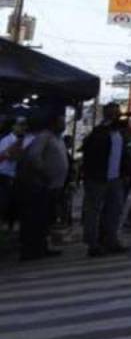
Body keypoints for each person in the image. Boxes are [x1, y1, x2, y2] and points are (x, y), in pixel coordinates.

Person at [15, 109, 68, 260]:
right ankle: (29, 250)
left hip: (53, 186)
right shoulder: (44, 137)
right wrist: (44, 173)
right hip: (39, 186)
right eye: (61, 121)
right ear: (53, 123)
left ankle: (41, 247)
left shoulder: (57, 138)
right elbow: (33, 157)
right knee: (34, 219)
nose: (63, 124)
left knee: (45, 219)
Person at [81, 102, 128, 257]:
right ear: (107, 114)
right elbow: (91, 155)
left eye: (118, 113)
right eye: (114, 113)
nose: (117, 116)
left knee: (115, 210)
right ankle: (93, 244)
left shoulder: (119, 133)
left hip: (115, 178)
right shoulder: (99, 132)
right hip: (98, 178)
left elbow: (122, 155)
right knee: (93, 211)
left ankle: (111, 239)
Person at [0, 116, 30, 231]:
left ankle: (10, 228)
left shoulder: (25, 140)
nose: (24, 128)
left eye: (25, 125)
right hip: (5, 176)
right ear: (13, 126)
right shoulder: (6, 140)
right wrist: (13, 152)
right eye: (21, 125)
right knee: (4, 204)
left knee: (14, 205)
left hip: (17, 177)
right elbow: (5, 157)